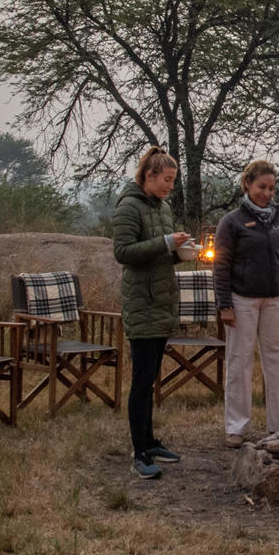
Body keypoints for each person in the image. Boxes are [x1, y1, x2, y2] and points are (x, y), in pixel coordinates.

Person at [112, 146, 191, 479]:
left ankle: (150, 440)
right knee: (142, 382)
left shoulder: (163, 208)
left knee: (152, 378)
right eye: (167, 180)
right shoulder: (129, 207)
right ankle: (139, 452)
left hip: (161, 303)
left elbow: (162, 252)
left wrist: (181, 252)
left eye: (173, 181)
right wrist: (165, 243)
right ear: (149, 175)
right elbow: (123, 252)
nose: (170, 187)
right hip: (142, 304)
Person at [211, 159, 279, 448]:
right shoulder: (231, 222)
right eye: (262, 186)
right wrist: (224, 304)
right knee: (239, 363)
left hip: (276, 300)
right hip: (241, 301)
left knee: (276, 363)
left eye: (272, 188)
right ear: (247, 184)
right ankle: (236, 428)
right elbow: (221, 266)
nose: (267, 193)